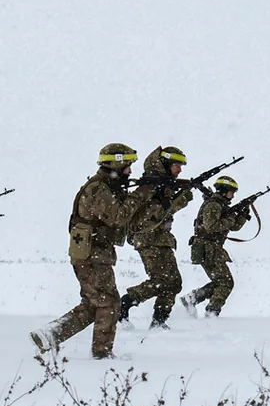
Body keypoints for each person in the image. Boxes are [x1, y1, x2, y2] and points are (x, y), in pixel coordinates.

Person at [28, 144, 153, 359]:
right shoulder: (98, 189)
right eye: (127, 167)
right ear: (116, 165)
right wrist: (142, 193)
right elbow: (118, 216)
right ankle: (102, 354)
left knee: (93, 304)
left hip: (91, 253)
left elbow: (127, 219)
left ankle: (51, 334)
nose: (130, 172)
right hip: (92, 255)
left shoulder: (106, 188)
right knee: (109, 303)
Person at [119, 146, 194, 329]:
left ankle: (159, 322)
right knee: (161, 281)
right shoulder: (150, 187)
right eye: (177, 165)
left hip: (161, 240)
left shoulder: (163, 186)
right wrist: (182, 199)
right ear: (166, 164)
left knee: (174, 283)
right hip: (148, 240)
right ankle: (124, 305)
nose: (180, 170)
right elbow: (152, 215)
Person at [180, 176, 250, 318]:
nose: (233, 195)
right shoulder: (214, 205)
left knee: (221, 281)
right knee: (225, 282)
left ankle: (192, 299)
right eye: (232, 191)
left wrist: (242, 216)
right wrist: (231, 218)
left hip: (211, 248)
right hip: (207, 248)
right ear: (225, 191)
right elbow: (211, 226)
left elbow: (234, 227)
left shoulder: (220, 205)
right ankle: (211, 312)